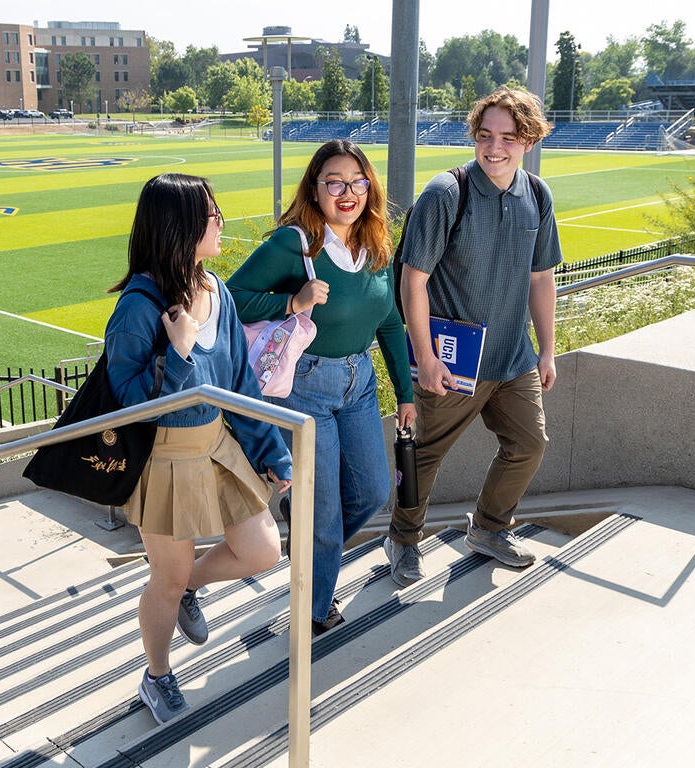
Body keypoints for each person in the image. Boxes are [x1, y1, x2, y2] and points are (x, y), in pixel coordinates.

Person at [105, 173, 292, 724]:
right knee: (165, 577)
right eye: (212, 215)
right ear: (181, 226)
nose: (222, 222)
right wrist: (179, 355)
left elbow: (239, 385)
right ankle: (156, 675)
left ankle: (189, 587)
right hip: (163, 460)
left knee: (263, 551)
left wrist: (272, 452)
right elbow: (128, 408)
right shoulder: (139, 308)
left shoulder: (217, 290)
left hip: (217, 445)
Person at [227, 140, 417, 635]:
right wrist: (291, 302)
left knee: (374, 491)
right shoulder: (295, 244)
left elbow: (391, 322)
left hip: (359, 384)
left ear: (369, 187)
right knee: (326, 515)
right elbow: (232, 300)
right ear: (315, 189)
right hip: (306, 386)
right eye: (334, 181)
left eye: (357, 181)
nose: (347, 192)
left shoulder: (376, 242)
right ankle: (312, 611)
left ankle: (312, 542)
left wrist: (406, 393)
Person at [385, 86, 562, 587]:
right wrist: (425, 356)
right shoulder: (447, 192)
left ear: (529, 140)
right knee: (423, 456)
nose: (494, 147)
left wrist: (547, 349)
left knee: (530, 444)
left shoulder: (538, 194)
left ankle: (488, 528)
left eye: (509, 137)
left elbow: (540, 278)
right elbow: (412, 279)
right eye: (485, 136)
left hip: (514, 359)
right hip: (453, 359)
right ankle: (401, 539)